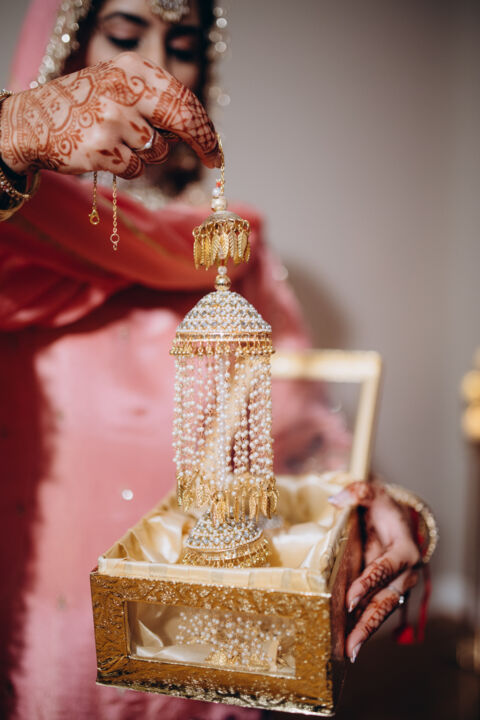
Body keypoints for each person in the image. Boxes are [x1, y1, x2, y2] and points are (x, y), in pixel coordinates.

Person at [0, 1, 432, 717]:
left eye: (186, 43)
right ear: (67, 47)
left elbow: (298, 441)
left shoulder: (232, 249)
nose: (159, 67)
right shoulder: (14, 234)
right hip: (53, 646)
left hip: (213, 640)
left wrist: (370, 513)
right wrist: (12, 133)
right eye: (125, 34)